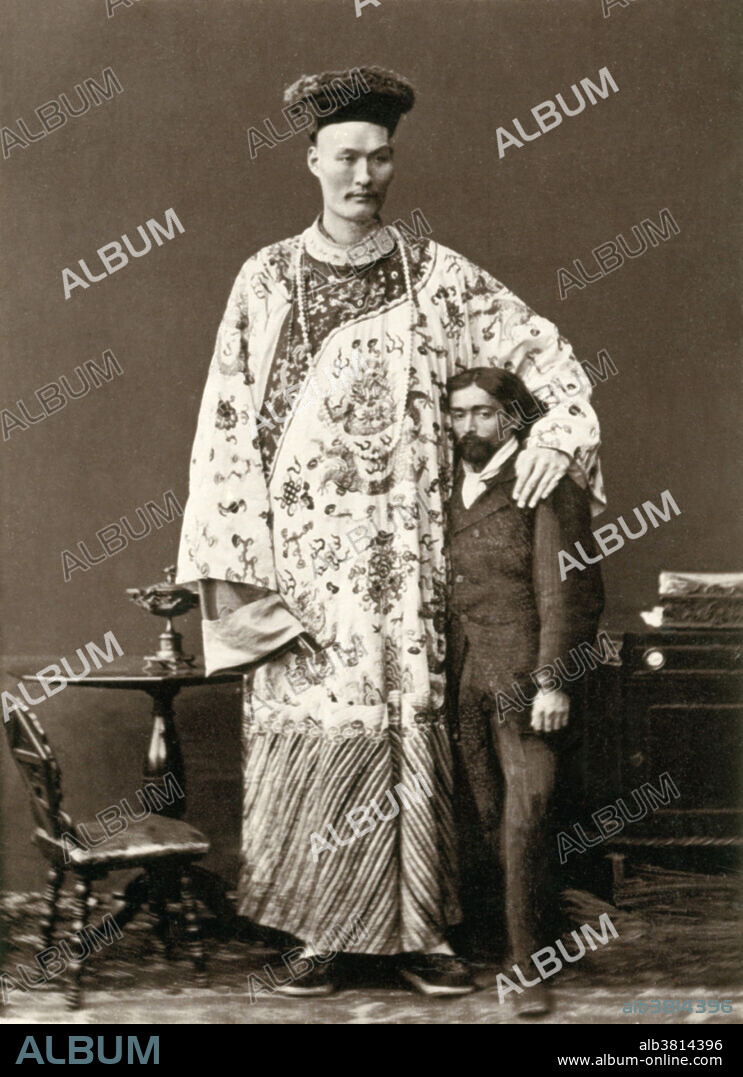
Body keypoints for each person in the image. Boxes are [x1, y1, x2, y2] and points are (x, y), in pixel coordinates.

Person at [175, 64, 604, 998]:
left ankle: (421, 933)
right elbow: (222, 431)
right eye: (346, 158)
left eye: (380, 158)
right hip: (307, 571)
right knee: (318, 731)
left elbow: (542, 351)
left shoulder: (436, 277)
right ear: (311, 161)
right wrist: (249, 579)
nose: (363, 177)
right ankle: (314, 933)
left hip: (412, 570)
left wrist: (559, 432)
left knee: (411, 732)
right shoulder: (265, 280)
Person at [446, 367, 604, 1015]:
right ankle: (509, 936)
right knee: (484, 814)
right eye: (457, 414)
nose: (468, 427)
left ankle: (527, 964)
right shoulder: (449, 490)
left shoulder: (546, 483)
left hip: (524, 680)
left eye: (483, 413)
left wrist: (552, 680)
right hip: (463, 681)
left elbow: (570, 591)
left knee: (526, 820)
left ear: (513, 418)